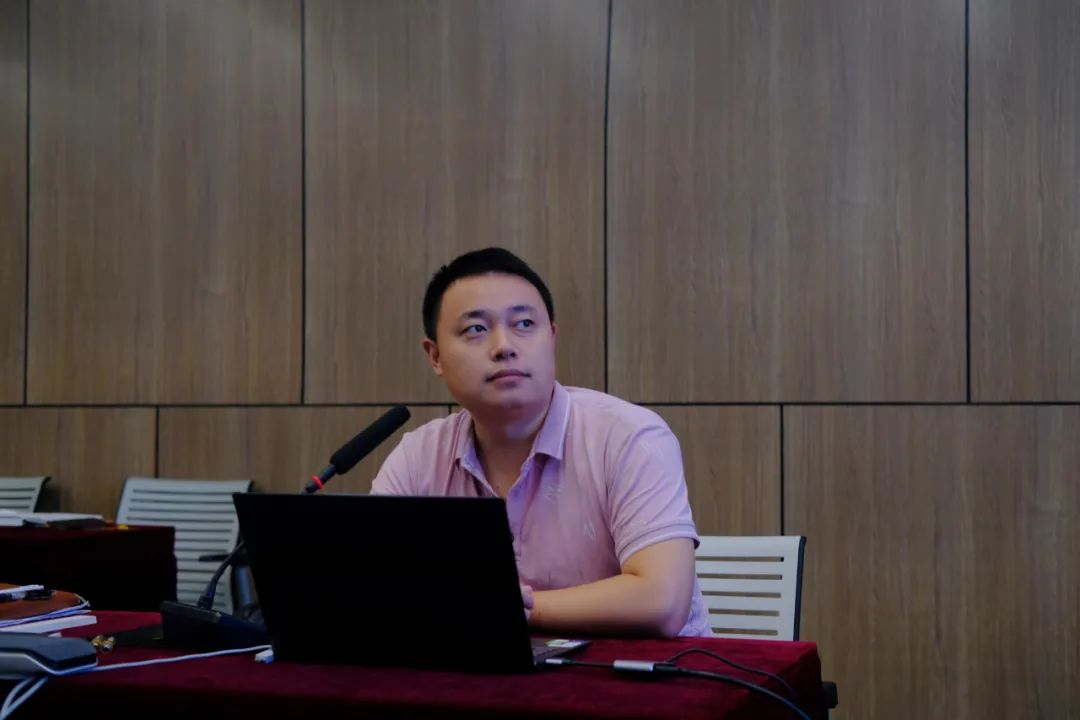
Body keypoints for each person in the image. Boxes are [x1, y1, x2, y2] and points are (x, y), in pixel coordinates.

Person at [372, 247, 711, 637]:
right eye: (476, 329)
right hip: (489, 671)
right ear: (435, 356)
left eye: (524, 324)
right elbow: (371, 586)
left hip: (647, 671)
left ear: (551, 337)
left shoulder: (628, 437)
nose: (504, 346)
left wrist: (506, 610)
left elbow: (662, 602)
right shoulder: (417, 457)